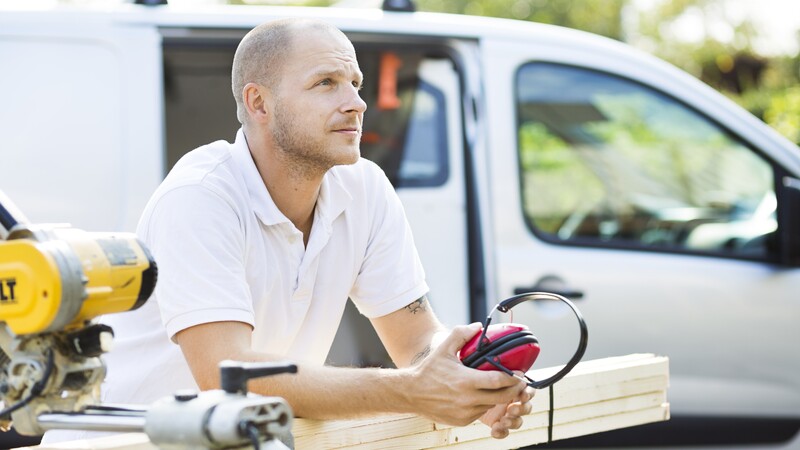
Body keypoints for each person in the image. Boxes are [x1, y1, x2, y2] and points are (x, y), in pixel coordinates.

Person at [43, 17, 533, 444]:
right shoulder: (199, 195)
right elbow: (225, 375)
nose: (357, 103)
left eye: (356, 83)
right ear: (259, 103)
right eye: (326, 82)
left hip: (239, 440)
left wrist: (465, 378)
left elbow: (417, 337)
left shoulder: (364, 187)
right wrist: (414, 389)